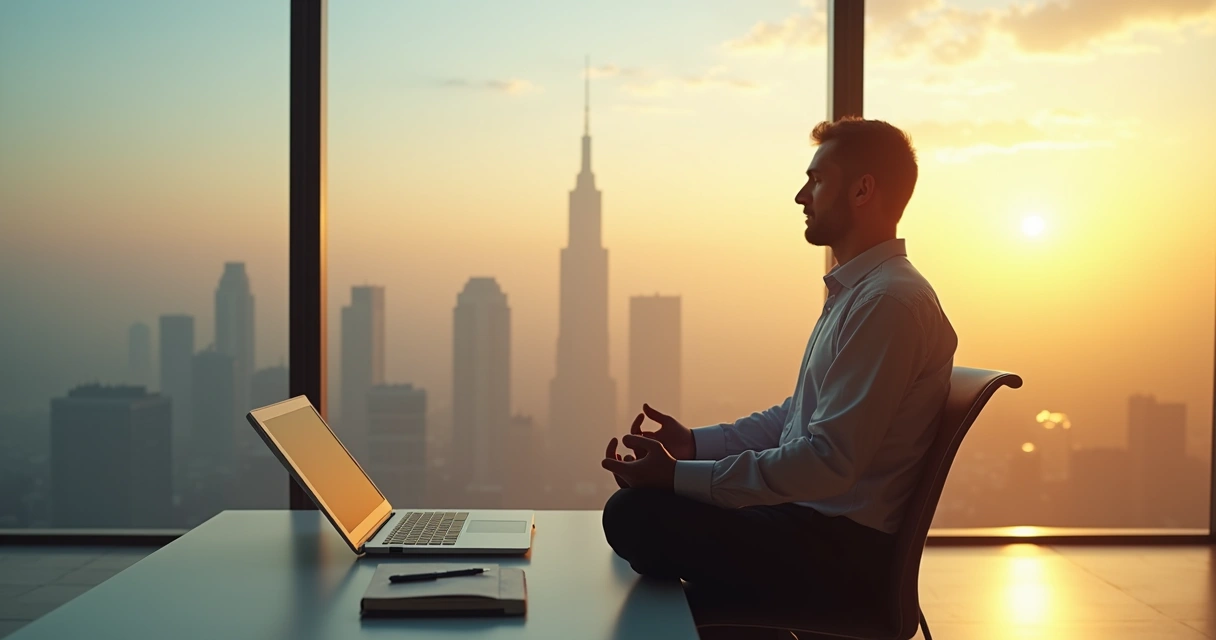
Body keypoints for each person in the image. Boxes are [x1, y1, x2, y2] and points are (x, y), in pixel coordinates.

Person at [600, 117, 958, 634]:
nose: (800, 196)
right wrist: (694, 444)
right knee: (642, 510)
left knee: (634, 514)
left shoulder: (888, 303)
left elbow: (828, 461)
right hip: (814, 529)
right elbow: (796, 418)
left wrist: (678, 477)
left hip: (838, 552)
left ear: (863, 190)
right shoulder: (863, 294)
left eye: (817, 180)